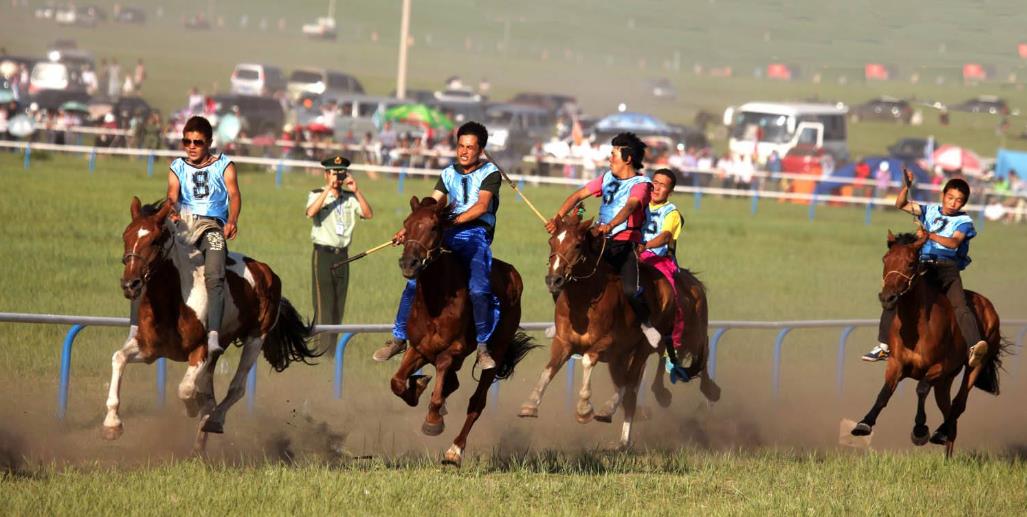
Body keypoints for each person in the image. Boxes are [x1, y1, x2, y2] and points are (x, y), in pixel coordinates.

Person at [372, 122, 502, 369]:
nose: (464, 152)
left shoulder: (490, 174)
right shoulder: (448, 174)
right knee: (414, 281)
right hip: (446, 233)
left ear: (480, 150)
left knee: (478, 289)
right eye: (460, 146)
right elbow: (433, 203)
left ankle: (483, 346)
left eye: (470, 147)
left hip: (475, 235)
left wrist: (452, 220)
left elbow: (482, 206)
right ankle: (399, 338)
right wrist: (411, 227)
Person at [545, 132, 661, 346]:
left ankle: (646, 323)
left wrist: (612, 225)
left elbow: (631, 206)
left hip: (623, 244)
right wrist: (558, 219)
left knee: (630, 289)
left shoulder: (642, 184)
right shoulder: (606, 178)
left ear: (627, 158)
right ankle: (561, 320)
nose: (610, 158)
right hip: (599, 239)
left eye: (613, 154)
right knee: (562, 267)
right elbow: (578, 196)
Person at [863, 169, 988, 367]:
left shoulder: (964, 222)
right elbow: (901, 204)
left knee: (960, 306)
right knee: (894, 294)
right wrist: (907, 186)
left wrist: (928, 235)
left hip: (947, 269)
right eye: (950, 197)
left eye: (958, 200)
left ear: (963, 203)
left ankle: (975, 346)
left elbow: (954, 243)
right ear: (943, 196)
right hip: (922, 266)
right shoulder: (928, 210)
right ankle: (884, 346)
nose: (953, 203)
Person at [165, 116, 241, 358]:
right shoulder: (177, 166)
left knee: (215, 273)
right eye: (186, 141)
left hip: (211, 226)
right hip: (184, 224)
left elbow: (235, 195)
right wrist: (173, 212)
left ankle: (214, 333)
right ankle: (138, 326)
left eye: (197, 142)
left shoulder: (224, 165)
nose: (191, 146)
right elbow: (172, 196)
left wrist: (232, 220)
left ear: (208, 142)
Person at [306, 156, 373, 353]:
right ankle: (320, 351)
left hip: (343, 256)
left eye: (340, 173)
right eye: (334, 173)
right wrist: (329, 189)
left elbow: (368, 214)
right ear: (326, 174)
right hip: (323, 254)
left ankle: (332, 353)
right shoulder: (317, 194)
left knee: (338, 307)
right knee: (324, 305)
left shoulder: (350, 198)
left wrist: (356, 190)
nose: (337, 177)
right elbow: (310, 212)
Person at [640, 168, 685, 356]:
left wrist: (645, 245)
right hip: (634, 255)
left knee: (674, 295)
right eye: (655, 183)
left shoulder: (671, 212)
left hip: (658, 259)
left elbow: (666, 236)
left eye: (663, 186)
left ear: (670, 191)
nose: (657, 188)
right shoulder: (639, 204)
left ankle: (673, 344)